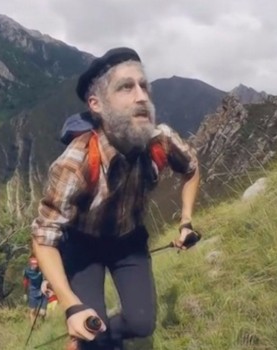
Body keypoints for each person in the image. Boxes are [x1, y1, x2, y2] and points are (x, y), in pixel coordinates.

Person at [30, 47, 201, 350]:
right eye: (125, 87)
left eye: (143, 85)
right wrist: (71, 307)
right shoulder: (76, 163)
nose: (141, 97)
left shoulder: (159, 139)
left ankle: (91, 337)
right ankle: (89, 338)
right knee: (91, 333)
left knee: (141, 324)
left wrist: (186, 221)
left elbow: (191, 169)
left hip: (128, 240)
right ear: (96, 104)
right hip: (82, 246)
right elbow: (44, 238)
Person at [23, 256, 47, 323]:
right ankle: (34, 327)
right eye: (33, 264)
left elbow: (46, 279)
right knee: (32, 311)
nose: (35, 266)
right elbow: (25, 281)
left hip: (42, 291)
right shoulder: (27, 271)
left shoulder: (41, 269)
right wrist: (25, 293)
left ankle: (42, 321)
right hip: (32, 291)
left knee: (42, 313)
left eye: (36, 264)